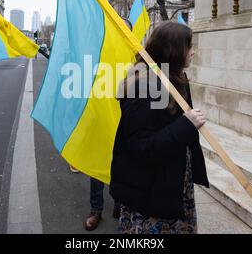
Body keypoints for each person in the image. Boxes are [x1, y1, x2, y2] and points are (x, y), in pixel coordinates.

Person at [110, 22, 210, 235]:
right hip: (148, 193)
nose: (193, 51)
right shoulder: (144, 87)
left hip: (170, 185)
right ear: (173, 50)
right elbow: (141, 147)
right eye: (188, 45)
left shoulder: (176, 79)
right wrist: (186, 125)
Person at [84, 18, 133, 232]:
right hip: (100, 122)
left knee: (122, 166)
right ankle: (96, 209)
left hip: (124, 124)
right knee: (97, 166)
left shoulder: (136, 61)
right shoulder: (97, 58)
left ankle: (120, 204)